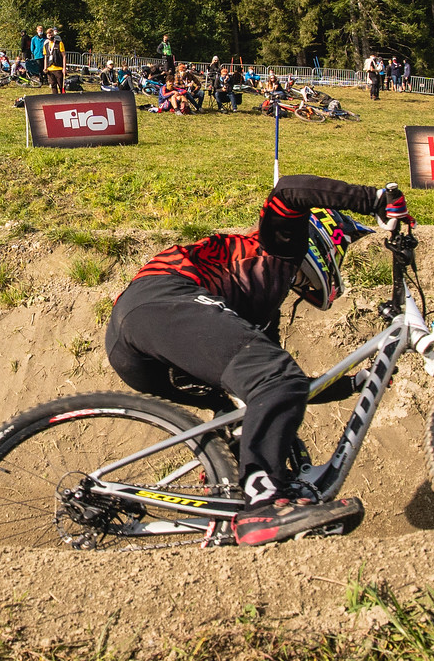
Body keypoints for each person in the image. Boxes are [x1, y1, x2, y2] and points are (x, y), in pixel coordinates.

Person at [104, 176, 411, 545]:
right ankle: (263, 502)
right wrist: (373, 199)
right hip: (163, 300)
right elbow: (288, 191)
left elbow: (279, 389)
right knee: (276, 379)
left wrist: (352, 383)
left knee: (254, 399)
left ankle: (228, 492)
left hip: (141, 346)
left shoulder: (259, 311)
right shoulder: (279, 246)